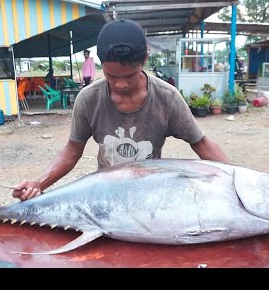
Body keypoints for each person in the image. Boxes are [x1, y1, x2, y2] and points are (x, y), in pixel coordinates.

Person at [12, 19, 229, 201]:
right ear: (101, 63)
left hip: (149, 194)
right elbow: (72, 150)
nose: (121, 84)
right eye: (112, 76)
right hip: (105, 193)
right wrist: (39, 184)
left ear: (145, 59)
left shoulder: (167, 98)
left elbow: (200, 143)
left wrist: (237, 181)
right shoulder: (88, 99)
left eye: (130, 75)